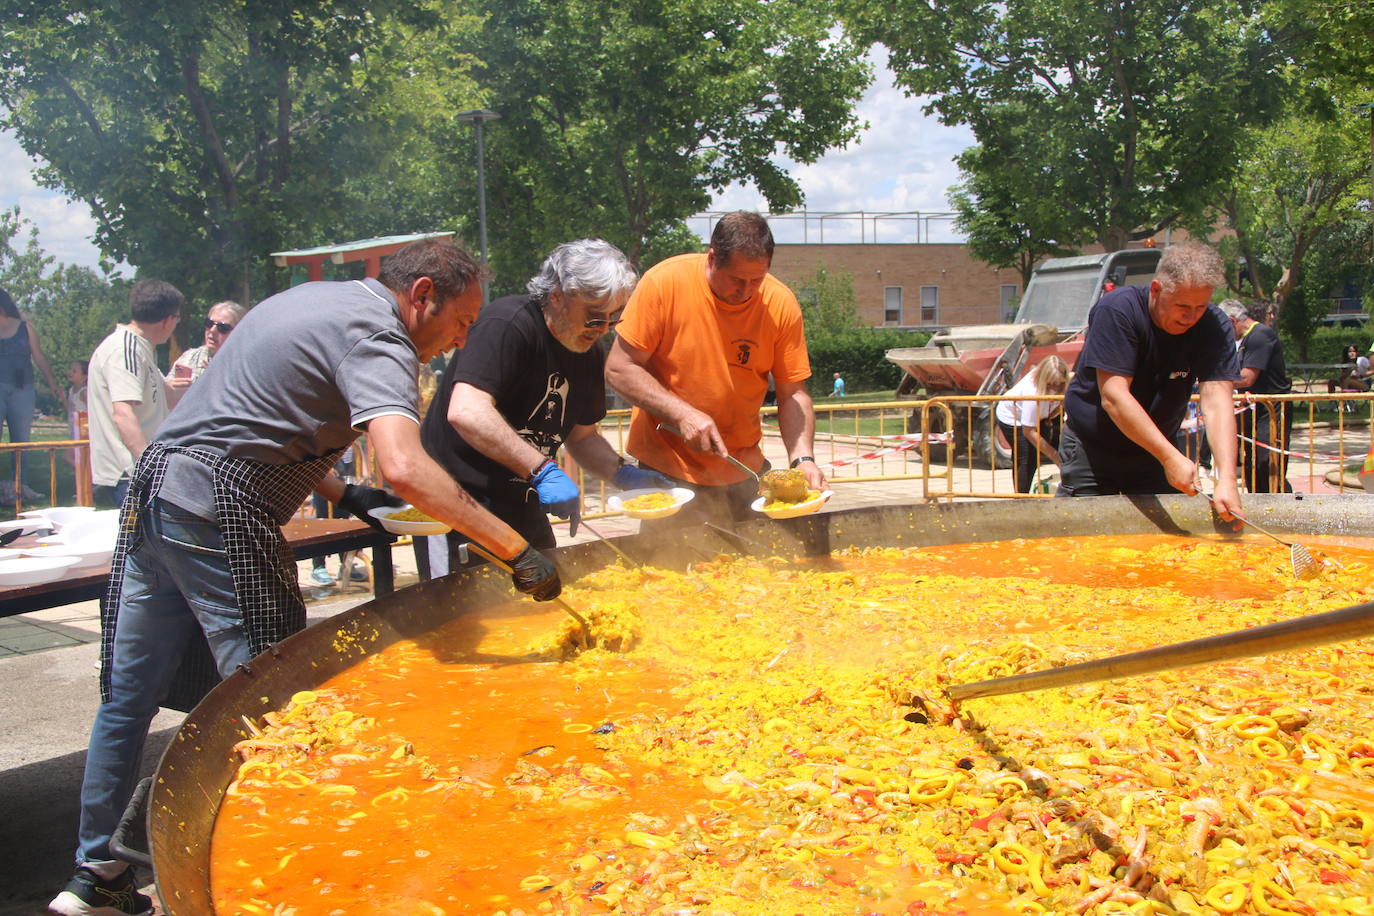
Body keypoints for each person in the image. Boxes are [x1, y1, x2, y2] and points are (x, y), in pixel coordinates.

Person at [49, 239, 561, 916]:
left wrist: (346, 492)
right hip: (215, 504)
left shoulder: (313, 301)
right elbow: (406, 467)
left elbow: (253, 413)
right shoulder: (383, 336)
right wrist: (513, 549)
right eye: (462, 321)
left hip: (159, 491)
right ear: (423, 295)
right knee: (268, 698)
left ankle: (96, 876)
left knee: (127, 698)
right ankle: (210, 877)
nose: (462, 339)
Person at [421, 239, 668, 573]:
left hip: (524, 505)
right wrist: (542, 469)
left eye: (613, 319)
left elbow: (582, 438)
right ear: (557, 296)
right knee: (465, 618)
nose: (603, 330)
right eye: (594, 317)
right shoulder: (507, 325)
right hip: (459, 505)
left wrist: (622, 472)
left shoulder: (590, 353)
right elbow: (466, 411)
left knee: (547, 604)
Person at [605, 211, 827, 527]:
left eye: (757, 280)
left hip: (742, 467)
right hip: (668, 469)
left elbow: (793, 393)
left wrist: (802, 458)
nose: (747, 290)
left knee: (757, 566)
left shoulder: (780, 303)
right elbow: (619, 369)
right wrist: (682, 414)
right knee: (670, 567)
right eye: (737, 279)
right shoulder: (664, 283)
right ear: (712, 259)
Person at [1055, 241, 1241, 520]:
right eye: (1182, 306)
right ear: (1156, 289)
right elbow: (1114, 397)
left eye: (1200, 306)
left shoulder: (1214, 325)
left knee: (1168, 543)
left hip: (1156, 448)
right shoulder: (1118, 310)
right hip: (1092, 447)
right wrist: (1169, 457)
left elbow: (1217, 402)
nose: (1191, 317)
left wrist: (1226, 478)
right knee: (1084, 541)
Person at [86, 279, 186, 509]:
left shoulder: (140, 348)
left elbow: (167, 397)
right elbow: (123, 414)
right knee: (144, 544)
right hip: (130, 476)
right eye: (177, 319)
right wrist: (151, 467)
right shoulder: (126, 350)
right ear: (167, 320)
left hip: (137, 474)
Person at [0, 286, 64, 503]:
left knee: (21, 441)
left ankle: (20, 485)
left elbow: (39, 357)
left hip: (22, 389)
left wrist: (52, 382)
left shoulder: (25, 328)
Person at [1222, 299, 1293, 493]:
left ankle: (1281, 509)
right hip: (1256, 409)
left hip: (1273, 410)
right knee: (1251, 463)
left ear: (1231, 320)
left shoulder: (1260, 334)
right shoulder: (1247, 339)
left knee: (1267, 463)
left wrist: (1213, 380)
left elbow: (1246, 378)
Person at [994, 355, 1069, 493]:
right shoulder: (1032, 392)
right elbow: (1029, 431)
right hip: (1012, 418)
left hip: (1039, 415)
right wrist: (1054, 456)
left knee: (1036, 455)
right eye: (1051, 384)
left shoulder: (1064, 383)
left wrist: (1050, 416)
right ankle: (1021, 498)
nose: (1055, 388)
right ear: (1043, 380)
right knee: (1026, 458)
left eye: (1059, 384)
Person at [169, 300, 246, 382]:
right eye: (209, 323)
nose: (212, 330)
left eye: (222, 327)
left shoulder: (245, 366)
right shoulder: (189, 357)